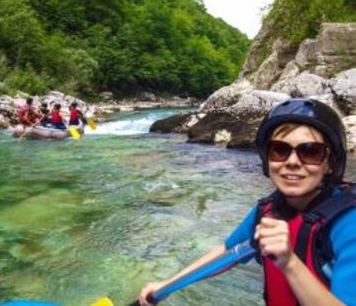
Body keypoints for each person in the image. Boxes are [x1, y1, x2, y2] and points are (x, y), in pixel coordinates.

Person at [138, 98, 356, 306]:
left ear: (330, 164)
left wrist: (289, 262)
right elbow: (228, 252)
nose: (292, 162)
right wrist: (167, 284)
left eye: (310, 152)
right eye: (279, 150)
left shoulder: (349, 225)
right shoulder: (268, 211)